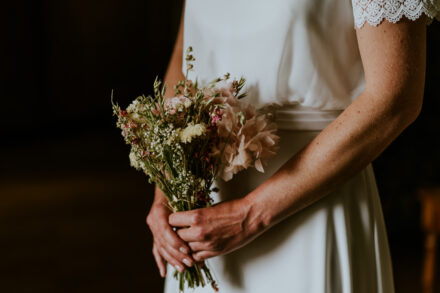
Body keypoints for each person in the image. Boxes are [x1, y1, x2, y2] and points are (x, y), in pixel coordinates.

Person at [146, 0, 440, 292]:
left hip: (315, 205)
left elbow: (395, 99)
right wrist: (167, 190)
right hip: (201, 223)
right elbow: (185, 67)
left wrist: (250, 215)